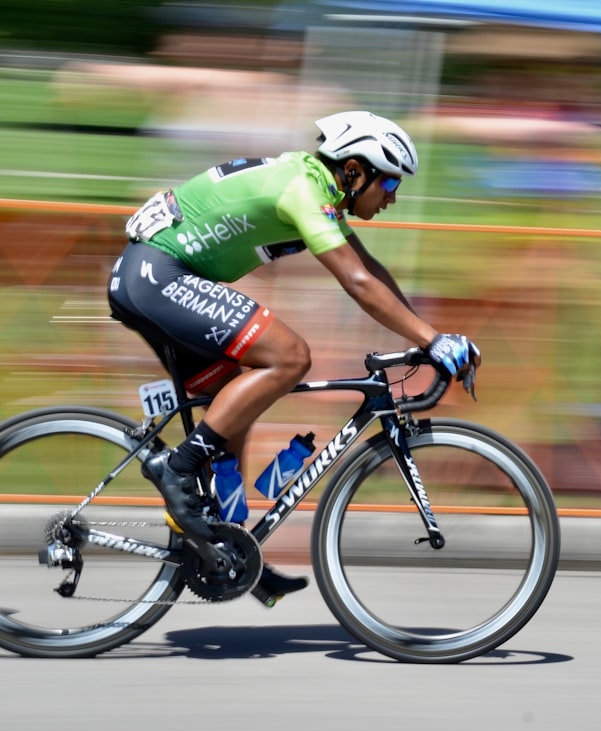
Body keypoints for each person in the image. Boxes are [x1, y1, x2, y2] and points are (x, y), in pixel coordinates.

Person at [107, 110, 480, 598]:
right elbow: (358, 283)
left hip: (156, 277)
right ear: (353, 170)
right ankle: (175, 470)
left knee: (231, 413)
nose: (393, 195)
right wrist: (433, 343)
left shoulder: (316, 188)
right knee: (289, 357)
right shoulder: (304, 189)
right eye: (388, 181)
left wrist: (427, 334)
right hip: (159, 277)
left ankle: (229, 550)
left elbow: (370, 269)